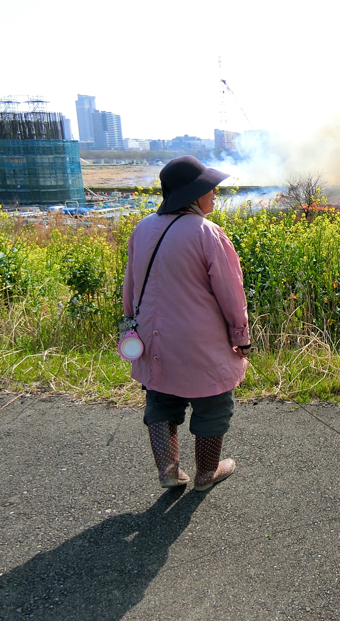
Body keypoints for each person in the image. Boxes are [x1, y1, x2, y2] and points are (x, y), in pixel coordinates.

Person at [122, 156, 251, 490]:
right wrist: (241, 335)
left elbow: (131, 287)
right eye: (209, 189)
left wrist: (130, 323)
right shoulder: (208, 233)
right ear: (193, 194)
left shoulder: (143, 227)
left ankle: (168, 470)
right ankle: (206, 472)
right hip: (201, 342)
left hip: (153, 337)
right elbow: (231, 292)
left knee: (161, 398)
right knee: (214, 403)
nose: (214, 195)